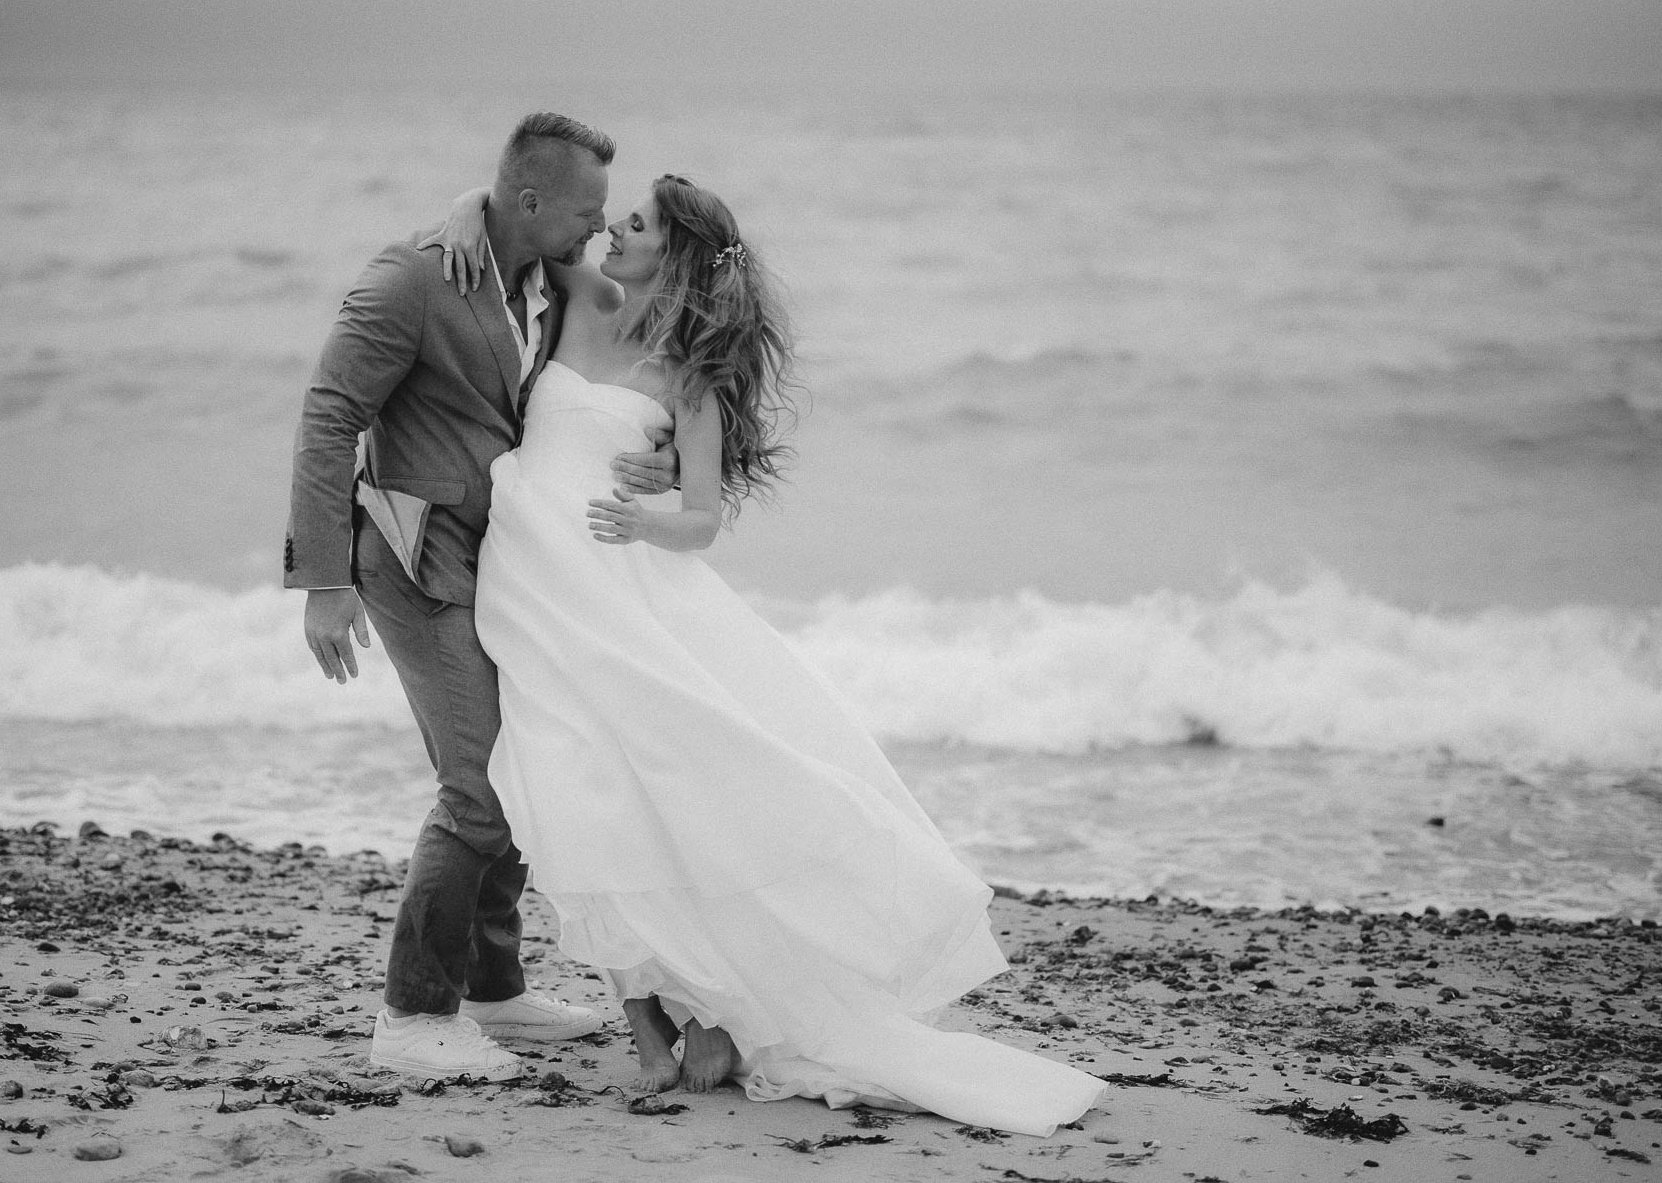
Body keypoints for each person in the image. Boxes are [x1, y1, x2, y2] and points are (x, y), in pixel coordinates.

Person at [431, 173, 1105, 1135]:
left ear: (675, 253)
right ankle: (655, 1026)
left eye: (636, 223)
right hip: (531, 586)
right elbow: (506, 213)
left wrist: (648, 517)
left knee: (655, 797)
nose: (613, 227)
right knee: (574, 793)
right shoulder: (580, 293)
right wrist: (468, 211)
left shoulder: (690, 379)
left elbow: (703, 520)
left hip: (615, 595)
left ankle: (704, 1016)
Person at [284, 113, 678, 1081]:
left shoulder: (545, 273)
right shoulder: (412, 280)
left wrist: (666, 457)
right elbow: (329, 415)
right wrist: (325, 581)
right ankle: (412, 1013)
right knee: (478, 786)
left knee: (521, 756)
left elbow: (621, 374)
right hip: (411, 555)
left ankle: (493, 988)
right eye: (586, 210)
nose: (599, 227)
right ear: (530, 201)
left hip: (502, 560)